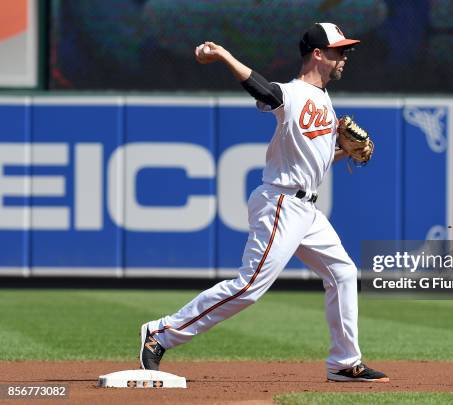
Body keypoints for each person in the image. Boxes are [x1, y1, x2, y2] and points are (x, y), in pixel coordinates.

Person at [139, 22, 387, 383]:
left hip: (307, 210)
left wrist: (341, 153)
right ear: (318, 54)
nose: (344, 57)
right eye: (338, 51)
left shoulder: (324, 102)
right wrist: (223, 55)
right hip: (281, 204)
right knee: (249, 287)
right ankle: (160, 333)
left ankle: (344, 362)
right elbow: (264, 90)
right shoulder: (294, 92)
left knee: (344, 273)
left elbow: (309, 160)